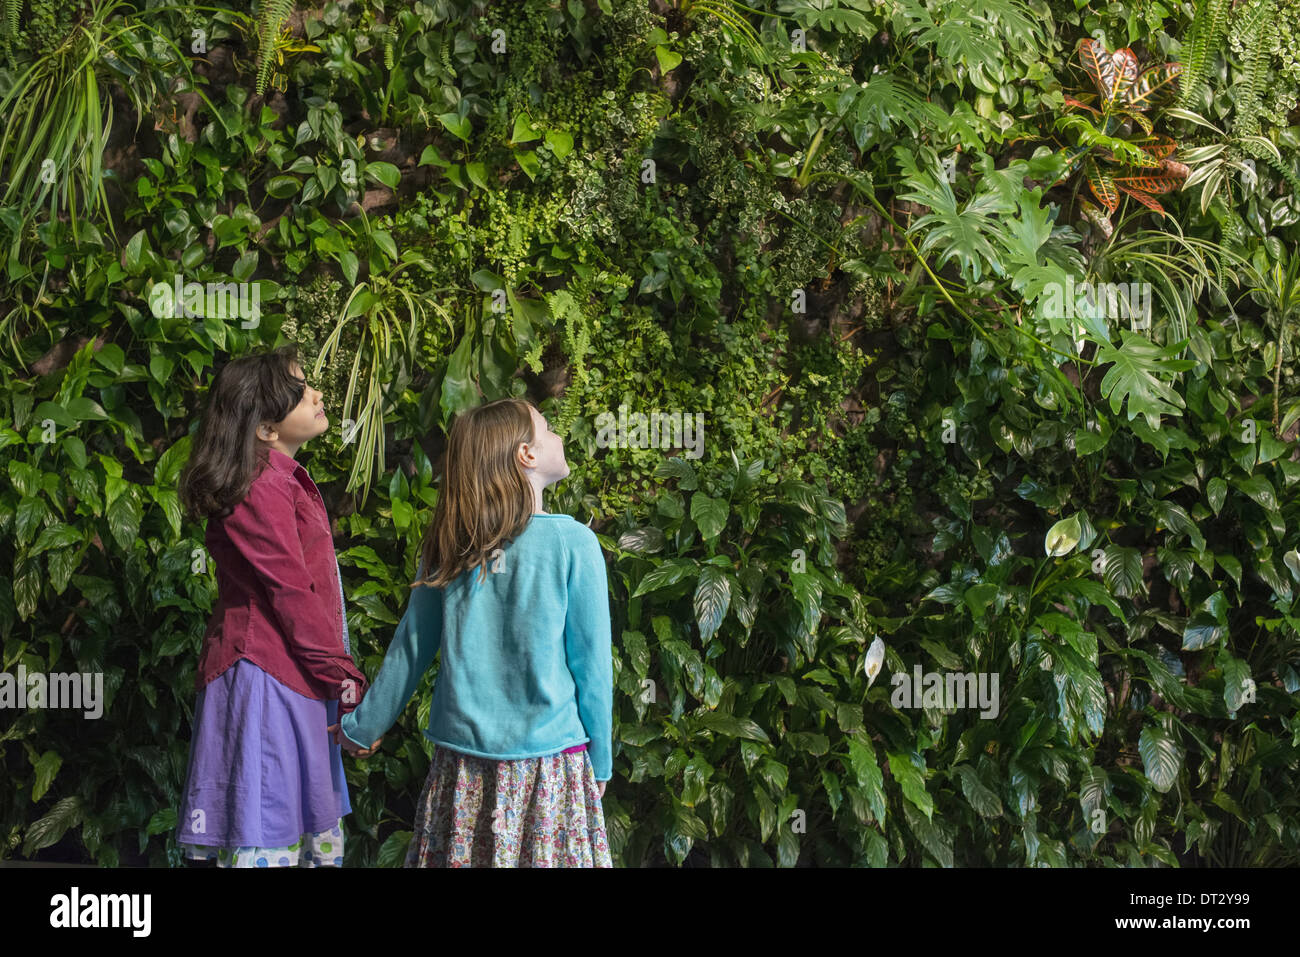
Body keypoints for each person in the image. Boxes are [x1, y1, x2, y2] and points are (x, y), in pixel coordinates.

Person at [330, 397, 613, 867]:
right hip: (550, 769)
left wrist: (362, 729)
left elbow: (412, 646)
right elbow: (593, 668)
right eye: (548, 428)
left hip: (462, 772)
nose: (559, 436)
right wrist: (600, 760)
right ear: (527, 454)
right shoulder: (573, 543)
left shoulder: (450, 541)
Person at [174, 346, 376, 868]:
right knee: (267, 827)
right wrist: (342, 674)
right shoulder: (258, 486)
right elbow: (289, 591)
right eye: (301, 390)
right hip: (265, 676)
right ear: (265, 427)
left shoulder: (277, 479)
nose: (317, 393)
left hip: (292, 676)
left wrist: (333, 675)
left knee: (288, 828)